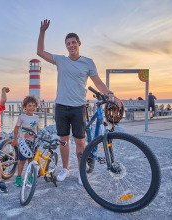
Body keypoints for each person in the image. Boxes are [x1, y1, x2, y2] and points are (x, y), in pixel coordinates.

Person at [37, 19, 122, 185]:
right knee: (63, 140)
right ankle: (66, 169)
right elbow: (40, 52)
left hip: (78, 107)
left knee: (80, 141)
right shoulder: (61, 60)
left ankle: (81, 172)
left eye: (73, 42)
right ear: (66, 46)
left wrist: (111, 95)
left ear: (79, 43)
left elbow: (97, 82)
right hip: (61, 106)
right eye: (68, 43)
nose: (71, 45)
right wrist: (42, 32)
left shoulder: (88, 62)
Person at [11, 95, 39, 186]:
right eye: (29, 106)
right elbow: (16, 128)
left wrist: (37, 138)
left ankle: (30, 176)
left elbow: (36, 127)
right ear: (24, 107)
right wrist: (15, 140)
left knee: (31, 161)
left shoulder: (36, 117)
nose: (32, 108)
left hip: (32, 143)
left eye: (33, 106)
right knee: (22, 161)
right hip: (23, 143)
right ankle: (19, 177)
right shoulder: (21, 117)